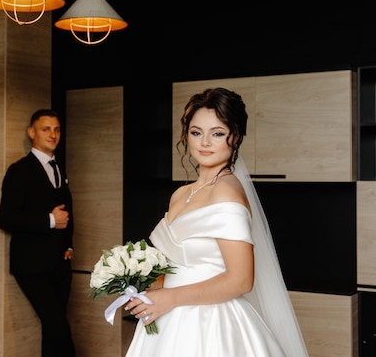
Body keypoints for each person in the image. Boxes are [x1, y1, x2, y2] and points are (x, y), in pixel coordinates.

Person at [124, 88, 309, 357]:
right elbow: (174, 264)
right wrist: (149, 287)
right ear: (186, 135)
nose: (205, 142)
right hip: (167, 316)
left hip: (210, 324)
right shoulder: (180, 194)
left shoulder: (227, 192)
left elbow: (241, 280)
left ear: (235, 137)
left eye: (218, 133)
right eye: (197, 132)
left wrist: (170, 298)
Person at [0, 108, 76, 357]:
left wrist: (68, 246)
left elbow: (69, 211)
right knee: (60, 329)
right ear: (32, 133)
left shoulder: (58, 168)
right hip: (31, 267)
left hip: (59, 265)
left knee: (52, 333)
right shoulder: (19, 171)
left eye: (56, 129)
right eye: (46, 129)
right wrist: (50, 220)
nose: (52, 134)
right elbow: (5, 219)